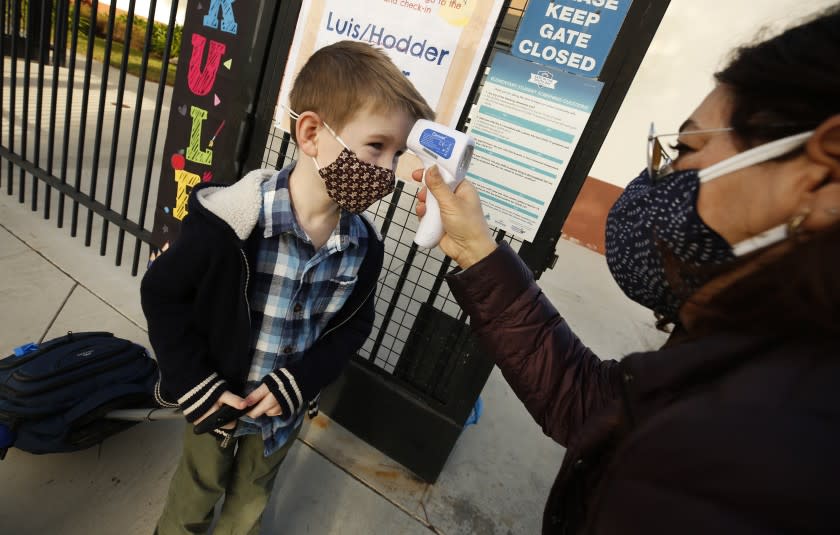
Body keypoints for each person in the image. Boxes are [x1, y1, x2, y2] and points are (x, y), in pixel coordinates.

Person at [412, 7, 840, 534]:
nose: (656, 181)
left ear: (825, 170)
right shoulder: (756, 354)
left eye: (686, 149)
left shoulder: (762, 458)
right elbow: (592, 404)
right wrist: (475, 248)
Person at [141, 40, 433, 535]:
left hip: (281, 416)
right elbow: (163, 295)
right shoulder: (231, 224)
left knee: (250, 503)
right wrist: (195, 384)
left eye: (398, 154)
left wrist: (299, 384)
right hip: (217, 406)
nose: (387, 171)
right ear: (312, 132)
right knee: (192, 502)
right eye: (376, 146)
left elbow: (352, 326)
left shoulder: (363, 246)